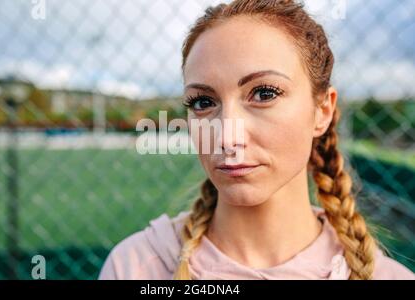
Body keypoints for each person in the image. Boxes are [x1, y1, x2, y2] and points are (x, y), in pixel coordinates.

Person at [99, 0, 415, 280]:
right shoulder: (136, 266)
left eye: (264, 94)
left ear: (322, 111)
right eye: (203, 102)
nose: (226, 137)